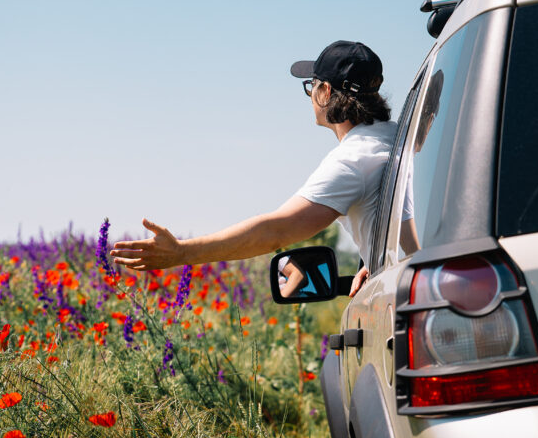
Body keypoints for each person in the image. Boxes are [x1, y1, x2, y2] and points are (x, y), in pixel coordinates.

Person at [110, 40, 415, 296]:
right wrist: (378, 261)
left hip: (408, 295)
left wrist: (183, 253)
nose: (310, 97)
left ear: (324, 92)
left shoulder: (353, 159)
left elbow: (274, 231)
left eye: (311, 86)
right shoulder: (404, 137)